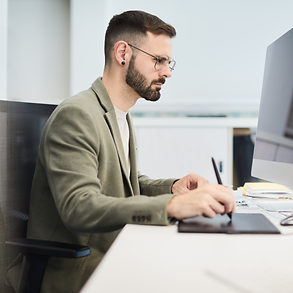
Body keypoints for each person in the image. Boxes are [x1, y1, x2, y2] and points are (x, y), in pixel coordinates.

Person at [9, 10, 235, 293]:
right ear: (122, 53)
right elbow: (80, 207)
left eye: (168, 62)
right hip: (73, 272)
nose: (166, 72)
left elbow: (124, 184)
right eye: (158, 60)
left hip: (109, 252)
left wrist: (173, 188)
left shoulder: (118, 114)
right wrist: (169, 207)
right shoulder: (77, 115)